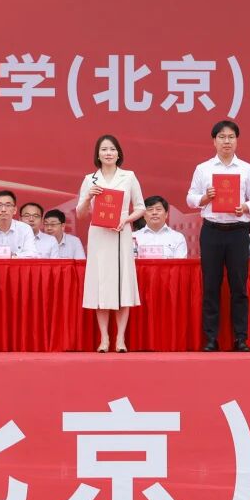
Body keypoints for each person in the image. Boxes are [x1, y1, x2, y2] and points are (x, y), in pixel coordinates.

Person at [187, 119, 250, 352]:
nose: (226, 141)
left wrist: (246, 207)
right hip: (211, 231)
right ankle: (211, 338)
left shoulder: (247, 169)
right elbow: (190, 198)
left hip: (238, 233)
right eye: (221, 137)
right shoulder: (203, 169)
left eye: (231, 137)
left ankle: (241, 338)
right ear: (214, 141)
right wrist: (204, 198)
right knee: (211, 286)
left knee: (239, 287)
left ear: (236, 140)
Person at [77, 134, 145, 353]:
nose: (108, 153)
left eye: (112, 149)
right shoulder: (90, 179)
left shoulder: (129, 176)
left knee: (122, 283)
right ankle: (104, 338)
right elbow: (80, 213)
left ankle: (120, 338)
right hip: (99, 234)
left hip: (121, 232)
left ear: (118, 154)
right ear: (98, 154)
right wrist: (88, 197)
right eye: (104, 149)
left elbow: (141, 207)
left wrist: (126, 220)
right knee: (101, 284)